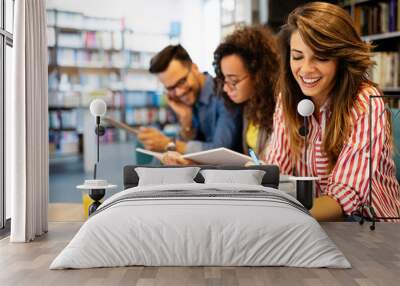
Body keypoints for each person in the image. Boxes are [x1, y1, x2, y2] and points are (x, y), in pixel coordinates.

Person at [265, 2, 400, 221]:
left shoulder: (367, 102)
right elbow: (276, 170)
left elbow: (344, 196)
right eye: (297, 57)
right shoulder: (288, 98)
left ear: (342, 58)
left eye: (321, 57)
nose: (306, 69)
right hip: (314, 225)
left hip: (369, 231)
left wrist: (283, 217)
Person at [162, 26, 279, 165]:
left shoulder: (279, 108)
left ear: (259, 75)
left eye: (234, 81)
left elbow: (223, 149)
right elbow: (252, 159)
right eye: (224, 79)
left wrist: (172, 145)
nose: (225, 87)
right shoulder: (249, 107)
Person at [137, 44, 242, 155]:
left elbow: (221, 151)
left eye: (181, 81)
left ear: (195, 68)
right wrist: (186, 122)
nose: (179, 92)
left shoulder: (225, 93)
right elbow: (182, 155)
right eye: (171, 88)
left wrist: (169, 144)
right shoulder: (183, 103)